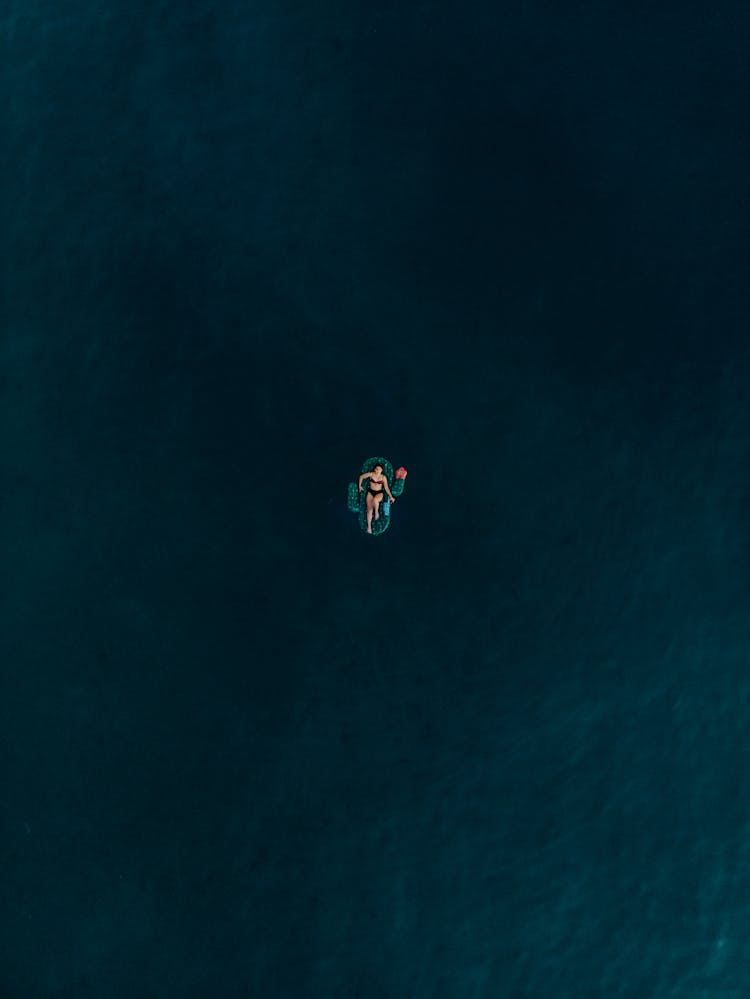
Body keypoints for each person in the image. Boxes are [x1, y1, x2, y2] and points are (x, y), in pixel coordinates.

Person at [358, 464, 395, 534]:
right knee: (369, 510)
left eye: (379, 469)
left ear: (381, 470)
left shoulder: (383, 477)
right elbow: (361, 476)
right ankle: (369, 527)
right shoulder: (371, 474)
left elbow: (386, 488)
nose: (377, 470)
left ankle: (376, 512)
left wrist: (391, 496)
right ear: (374, 469)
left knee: (375, 500)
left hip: (379, 493)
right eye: (376, 469)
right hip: (370, 492)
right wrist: (360, 486)